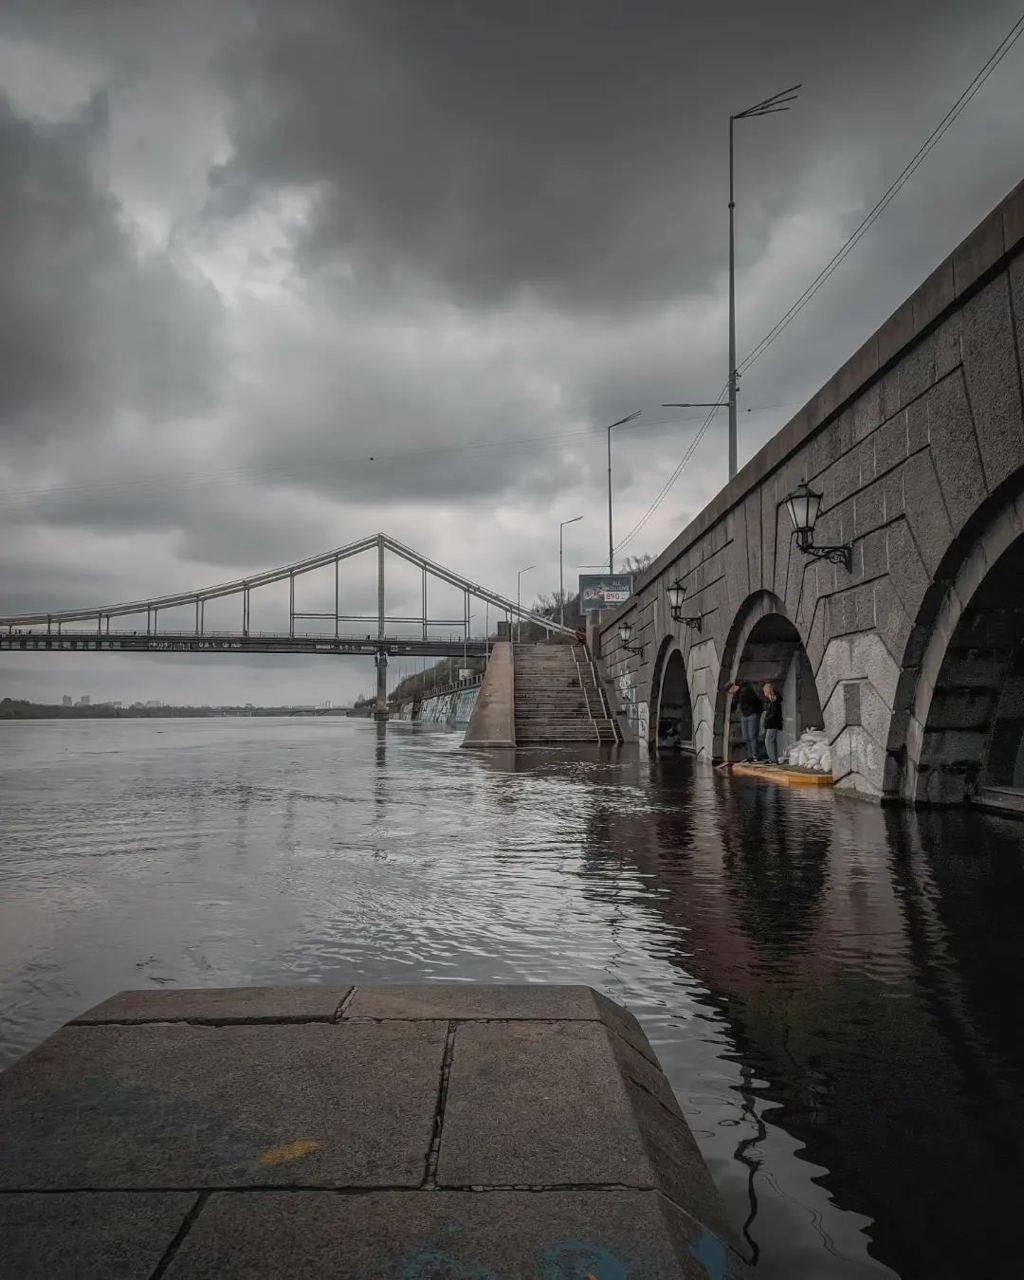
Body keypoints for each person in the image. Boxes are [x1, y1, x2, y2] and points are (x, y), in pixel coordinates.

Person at [728, 681, 762, 762]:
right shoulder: (737, 694)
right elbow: (734, 706)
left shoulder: (745, 690)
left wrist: (756, 711)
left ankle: (755, 756)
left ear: (732, 688)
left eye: (729, 691)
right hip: (745, 715)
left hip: (752, 714)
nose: (729, 693)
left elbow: (754, 701)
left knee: (752, 736)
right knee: (746, 737)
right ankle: (750, 755)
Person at [760, 681, 783, 764]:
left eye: (764, 692)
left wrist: (767, 720)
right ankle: (773, 759)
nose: (764, 694)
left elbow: (774, 713)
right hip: (772, 723)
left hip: (773, 723)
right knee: (771, 741)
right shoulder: (773, 699)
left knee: (768, 741)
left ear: (768, 691)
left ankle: (773, 760)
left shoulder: (774, 700)